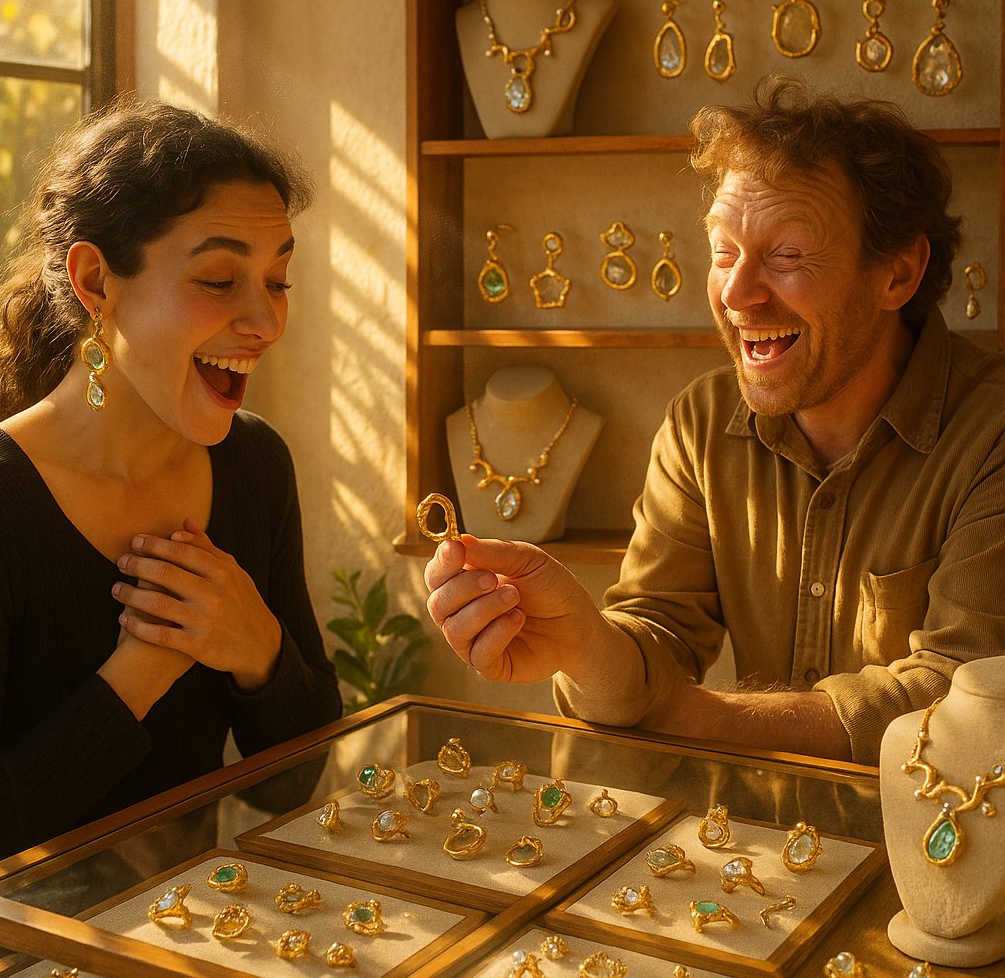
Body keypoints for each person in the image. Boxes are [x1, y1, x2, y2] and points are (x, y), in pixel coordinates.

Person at [424, 77, 1005, 766]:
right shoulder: (702, 422)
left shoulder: (991, 432)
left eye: (787, 255)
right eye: (724, 250)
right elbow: (659, 632)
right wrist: (583, 644)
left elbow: (961, 701)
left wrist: (687, 713)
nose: (735, 292)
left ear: (898, 274)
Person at [0, 100, 341, 865]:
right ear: (95, 281)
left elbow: (293, 787)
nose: (266, 323)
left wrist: (257, 647)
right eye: (218, 279)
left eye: (277, 280)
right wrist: (138, 676)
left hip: (191, 933)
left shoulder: (255, 465)